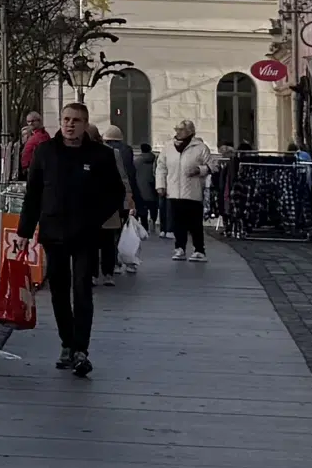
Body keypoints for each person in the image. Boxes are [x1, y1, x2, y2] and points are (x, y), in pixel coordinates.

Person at [26, 97, 137, 379]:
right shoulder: (45, 152)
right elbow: (33, 194)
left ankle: (81, 349)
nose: (70, 125)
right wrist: (24, 233)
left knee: (83, 290)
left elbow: (115, 193)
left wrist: (95, 219)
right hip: (54, 232)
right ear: (60, 122)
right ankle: (67, 342)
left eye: (76, 120)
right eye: (66, 119)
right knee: (60, 291)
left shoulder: (99, 155)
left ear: (85, 124)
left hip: (87, 234)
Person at [156, 118, 219, 260]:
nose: (178, 133)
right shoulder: (168, 147)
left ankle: (199, 250)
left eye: (181, 130)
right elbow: (161, 167)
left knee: (195, 223)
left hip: (192, 191)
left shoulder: (200, 147)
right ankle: (179, 248)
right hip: (173, 190)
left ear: (190, 132)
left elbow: (213, 166)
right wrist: (161, 185)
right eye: (177, 130)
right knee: (177, 222)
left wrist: (199, 170)